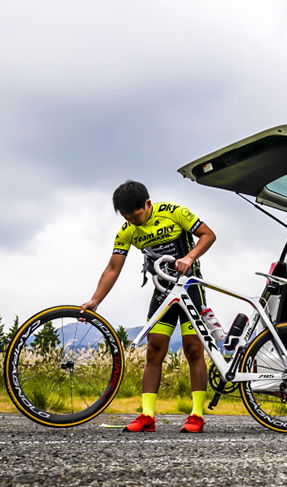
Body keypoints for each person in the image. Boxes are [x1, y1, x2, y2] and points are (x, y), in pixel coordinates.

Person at [80, 180, 216, 433]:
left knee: (193, 350)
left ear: (148, 203)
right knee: (154, 351)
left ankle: (197, 414)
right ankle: (147, 415)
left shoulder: (174, 212)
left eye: (137, 215)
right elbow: (113, 268)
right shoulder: (127, 231)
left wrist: (189, 257)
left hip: (189, 288)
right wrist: (95, 300)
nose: (134, 221)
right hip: (162, 293)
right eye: (128, 218)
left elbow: (208, 235)